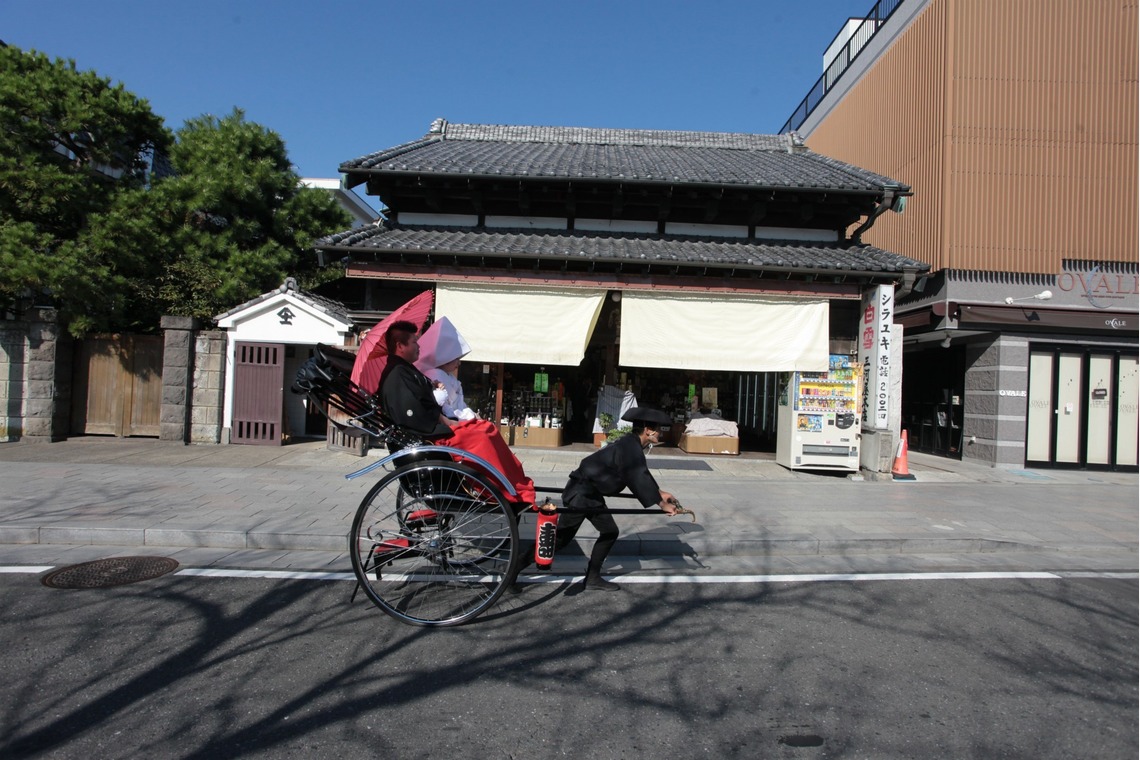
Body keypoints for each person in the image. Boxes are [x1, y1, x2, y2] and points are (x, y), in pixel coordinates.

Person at [515, 406, 678, 592]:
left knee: (609, 531)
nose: (660, 434)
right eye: (658, 429)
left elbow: (640, 475)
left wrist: (659, 493)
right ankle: (513, 570)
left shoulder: (630, 444)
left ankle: (592, 577)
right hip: (581, 494)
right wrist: (661, 504)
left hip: (590, 494)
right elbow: (638, 475)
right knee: (560, 540)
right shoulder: (630, 447)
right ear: (648, 430)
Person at [378, 320, 536, 507]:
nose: (419, 346)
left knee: (486, 429)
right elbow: (417, 411)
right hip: (430, 436)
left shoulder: (404, 370)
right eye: (414, 342)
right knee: (483, 436)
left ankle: (511, 482)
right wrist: (448, 422)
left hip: (433, 429)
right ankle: (504, 488)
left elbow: (424, 400)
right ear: (400, 346)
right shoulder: (397, 373)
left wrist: (433, 388)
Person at [414, 317, 477, 421]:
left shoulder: (444, 374)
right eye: (456, 358)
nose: (459, 363)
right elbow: (447, 407)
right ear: (446, 358)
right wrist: (469, 415)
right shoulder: (436, 375)